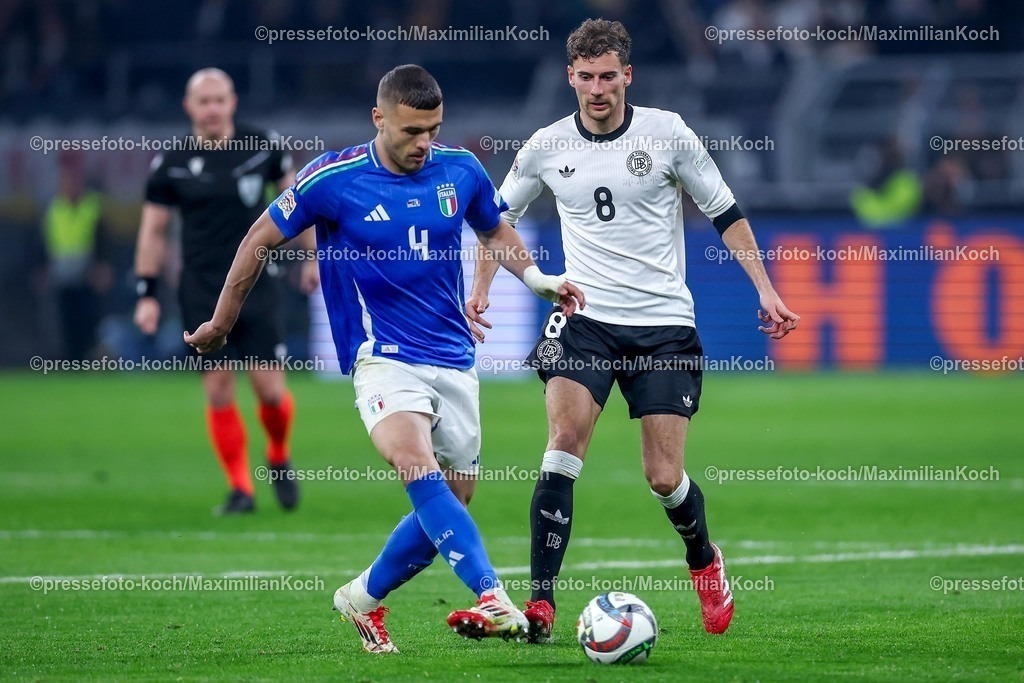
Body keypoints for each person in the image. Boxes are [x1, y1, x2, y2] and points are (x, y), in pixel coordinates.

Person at [183, 64, 585, 653]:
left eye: (433, 129)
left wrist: (536, 277)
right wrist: (222, 322)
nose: (424, 143)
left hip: (453, 357)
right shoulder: (334, 178)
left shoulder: (461, 171)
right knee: (416, 467)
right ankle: (492, 594)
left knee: (450, 499)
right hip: (382, 357)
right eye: (411, 131)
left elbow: (495, 230)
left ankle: (362, 598)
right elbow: (257, 240)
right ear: (380, 119)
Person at [468, 18, 800, 642]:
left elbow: (725, 210)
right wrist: (483, 286)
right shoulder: (545, 145)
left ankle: (704, 559)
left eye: (609, 76)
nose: (598, 89)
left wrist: (765, 287)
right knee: (563, 445)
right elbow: (495, 218)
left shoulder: (668, 133)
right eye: (586, 77)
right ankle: (541, 606)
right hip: (583, 317)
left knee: (663, 477)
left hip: (662, 326)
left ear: (628, 75)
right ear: (571, 77)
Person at [134, 68, 318, 515]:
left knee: (270, 391)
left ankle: (277, 453)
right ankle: (241, 488)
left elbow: (296, 202)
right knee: (218, 387)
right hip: (200, 287)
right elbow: (154, 230)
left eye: (220, 99)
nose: (212, 108)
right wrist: (147, 292)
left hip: (257, 282)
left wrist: (311, 257)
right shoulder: (171, 163)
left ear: (233, 102)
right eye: (204, 101)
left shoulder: (264, 147)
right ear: (189, 108)